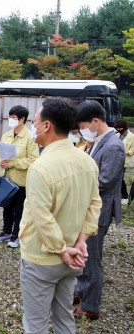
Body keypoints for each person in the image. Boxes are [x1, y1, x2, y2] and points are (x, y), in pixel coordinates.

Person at [19, 97, 101, 333]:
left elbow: (41, 217)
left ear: (46, 126)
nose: (33, 127)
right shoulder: (87, 161)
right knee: (65, 317)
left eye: (35, 121)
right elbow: (95, 205)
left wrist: (62, 250)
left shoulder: (41, 167)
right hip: (74, 254)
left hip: (43, 257)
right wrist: (81, 242)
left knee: (36, 323)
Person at [74, 100, 125, 320]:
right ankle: (80, 292)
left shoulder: (113, 146)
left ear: (95, 121)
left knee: (92, 258)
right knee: (84, 255)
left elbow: (104, 181)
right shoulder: (98, 141)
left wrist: (76, 183)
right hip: (91, 207)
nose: (82, 131)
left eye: (83, 125)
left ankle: (90, 306)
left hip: (100, 210)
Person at [0, 105, 39, 248]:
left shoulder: (30, 137)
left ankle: (16, 235)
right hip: (7, 178)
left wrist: (13, 163)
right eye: (10, 117)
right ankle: (6, 231)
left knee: (19, 209)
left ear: (22, 119)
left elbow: (33, 159)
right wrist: (0, 161)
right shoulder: (7, 135)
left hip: (21, 180)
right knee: (6, 207)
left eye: (14, 117)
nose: (11, 120)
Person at [113, 119, 133, 203]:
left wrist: (127, 152)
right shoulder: (116, 135)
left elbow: (133, 148)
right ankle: (119, 194)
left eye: (119, 128)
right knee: (115, 177)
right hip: (114, 159)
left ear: (124, 128)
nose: (118, 130)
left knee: (120, 178)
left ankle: (124, 196)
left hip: (124, 160)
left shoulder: (131, 137)